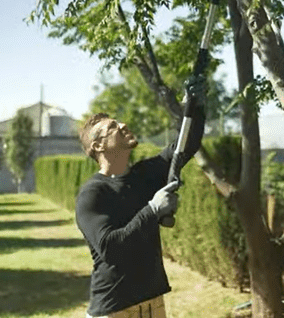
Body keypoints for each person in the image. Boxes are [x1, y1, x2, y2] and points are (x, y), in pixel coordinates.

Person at [75, 77, 207, 318]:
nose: (124, 125)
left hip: (152, 302)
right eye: (113, 127)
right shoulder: (92, 193)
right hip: (115, 308)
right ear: (98, 146)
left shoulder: (145, 175)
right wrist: (153, 210)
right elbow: (111, 249)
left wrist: (194, 107)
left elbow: (185, 145)